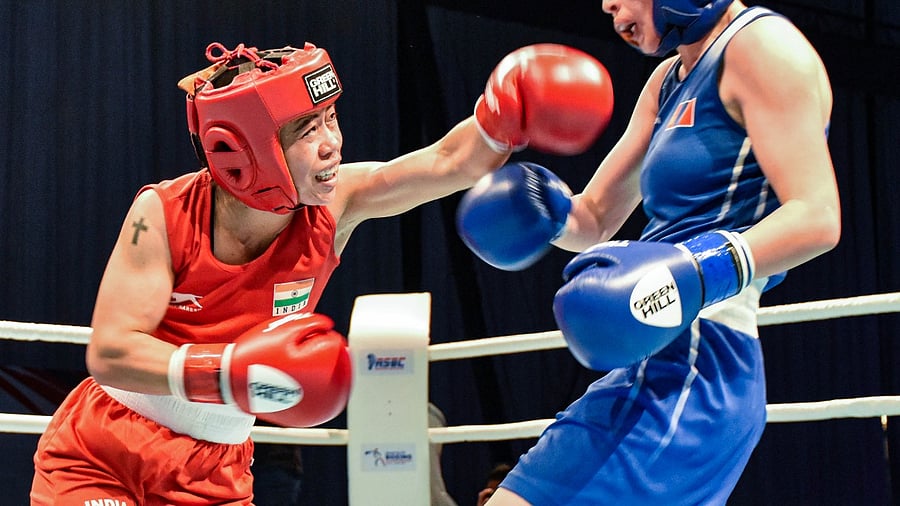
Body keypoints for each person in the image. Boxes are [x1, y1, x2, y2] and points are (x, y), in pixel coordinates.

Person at [29, 40, 613, 505]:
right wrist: (231, 372)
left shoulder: (336, 205)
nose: (333, 144)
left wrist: (501, 117)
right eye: (309, 130)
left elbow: (445, 161)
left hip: (216, 469)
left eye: (331, 119)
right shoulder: (163, 213)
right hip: (105, 452)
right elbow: (111, 351)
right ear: (244, 149)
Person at [457, 0, 841, 504]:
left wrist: (694, 271)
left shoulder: (761, 46)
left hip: (701, 369)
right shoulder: (667, 81)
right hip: (644, 355)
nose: (607, 5)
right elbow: (595, 218)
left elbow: (818, 216)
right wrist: (543, 210)